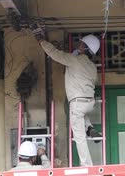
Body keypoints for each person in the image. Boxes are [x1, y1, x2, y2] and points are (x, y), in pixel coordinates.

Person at [34, 31, 102, 167]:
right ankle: (90, 128)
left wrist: (42, 41)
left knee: (79, 137)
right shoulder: (93, 67)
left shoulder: (73, 60)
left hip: (77, 102)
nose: (79, 44)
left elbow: (55, 54)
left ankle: (87, 165)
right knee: (80, 115)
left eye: (81, 44)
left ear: (84, 48)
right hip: (89, 102)